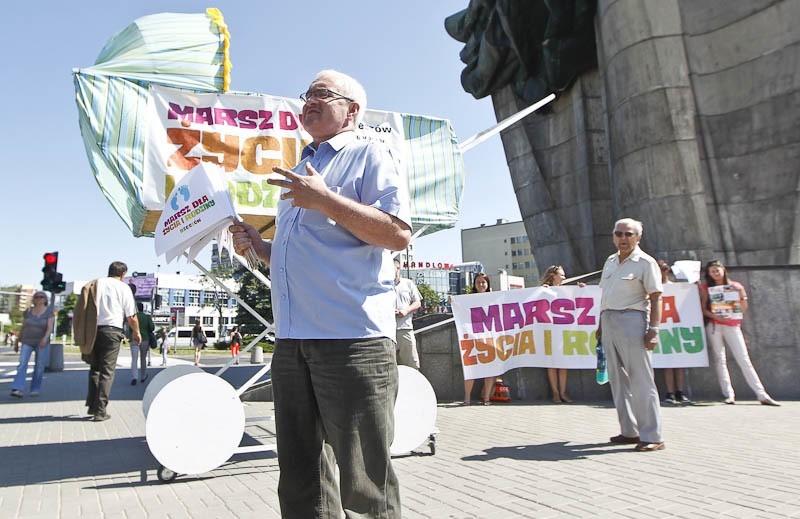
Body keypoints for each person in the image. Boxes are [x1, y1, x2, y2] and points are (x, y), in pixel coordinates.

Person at [229, 69, 410, 517]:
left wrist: (326, 200)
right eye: (306, 94)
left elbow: (397, 234)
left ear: (352, 110)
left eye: (322, 94)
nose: (308, 101)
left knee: (365, 483)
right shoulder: (300, 171)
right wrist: (259, 246)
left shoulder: (371, 154)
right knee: (300, 479)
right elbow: (303, 257)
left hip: (351, 340)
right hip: (292, 343)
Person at [597, 218, 665, 452]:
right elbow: (605, 296)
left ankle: (652, 436)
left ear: (638, 237)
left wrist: (653, 330)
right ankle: (629, 431)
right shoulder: (610, 261)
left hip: (632, 321)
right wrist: (600, 325)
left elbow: (655, 297)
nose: (623, 238)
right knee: (617, 380)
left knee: (641, 380)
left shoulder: (646, 262)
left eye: (628, 234)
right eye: (619, 234)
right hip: (608, 321)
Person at [699, 260, 779, 406]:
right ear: (709, 274)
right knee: (720, 359)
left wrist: (742, 297)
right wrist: (715, 316)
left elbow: (742, 308)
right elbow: (704, 309)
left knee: (743, 358)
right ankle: (729, 394)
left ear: (723, 270)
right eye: (712, 271)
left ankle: (761, 394)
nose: (715, 274)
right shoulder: (707, 288)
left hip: (732, 325)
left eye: (717, 270)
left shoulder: (735, 286)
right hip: (715, 326)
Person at [74, 261, 140, 422]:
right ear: (123, 274)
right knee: (107, 371)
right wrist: (136, 332)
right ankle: (100, 411)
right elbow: (131, 316)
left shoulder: (96, 283)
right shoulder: (123, 288)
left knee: (95, 368)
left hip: (93, 330)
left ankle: (92, 405)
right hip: (112, 331)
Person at [540, 265, 585, 404]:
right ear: (553, 275)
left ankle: (563, 392)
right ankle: (555, 393)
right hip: (549, 330)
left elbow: (578, 302)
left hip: (564, 331)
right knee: (552, 364)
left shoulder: (567, 290)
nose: (564, 277)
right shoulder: (544, 289)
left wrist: (582, 289)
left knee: (563, 363)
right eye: (562, 274)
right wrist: (543, 291)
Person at [655, 260, 691, 405]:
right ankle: (669, 392)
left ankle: (680, 392)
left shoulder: (675, 287)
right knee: (667, 364)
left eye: (664, 270)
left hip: (676, 327)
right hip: (662, 328)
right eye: (659, 270)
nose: (662, 273)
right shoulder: (652, 287)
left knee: (679, 363)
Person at [10, 291, 54, 398]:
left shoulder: (49, 312)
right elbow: (24, 327)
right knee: (22, 364)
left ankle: (35, 388)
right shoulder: (29, 311)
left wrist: (45, 338)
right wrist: (17, 341)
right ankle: (18, 388)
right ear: (33, 299)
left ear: (45, 300)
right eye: (36, 297)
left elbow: (49, 328)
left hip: (41, 343)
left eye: (41, 297)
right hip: (27, 341)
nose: (39, 299)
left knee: (39, 366)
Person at [463, 273, 498, 405]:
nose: (481, 285)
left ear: (488, 284)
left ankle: (487, 397)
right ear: (474, 284)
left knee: (489, 370)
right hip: (473, 337)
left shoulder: (494, 298)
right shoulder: (469, 299)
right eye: (478, 282)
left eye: (484, 282)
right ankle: (467, 397)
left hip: (489, 338)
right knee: (471, 369)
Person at [394, 258, 422, 369]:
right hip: (388, 331)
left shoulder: (408, 283)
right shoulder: (383, 285)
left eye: (394, 269)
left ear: (399, 268)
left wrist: (405, 311)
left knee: (412, 365)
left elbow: (417, 303)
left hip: (405, 328)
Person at [129, 302, 154, 385]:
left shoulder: (133, 316)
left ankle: (134, 377)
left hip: (134, 338)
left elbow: (129, 327)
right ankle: (143, 376)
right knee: (143, 358)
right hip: (145, 339)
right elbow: (152, 327)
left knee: (134, 359)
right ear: (143, 308)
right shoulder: (146, 317)